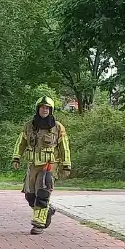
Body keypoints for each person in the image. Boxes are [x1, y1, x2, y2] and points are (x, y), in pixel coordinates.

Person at [12, 94, 72, 235]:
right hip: (32, 165)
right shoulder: (29, 126)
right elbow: (21, 143)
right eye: (42, 107)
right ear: (37, 109)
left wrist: (66, 164)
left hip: (49, 164)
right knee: (30, 196)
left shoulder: (57, 127)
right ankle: (47, 211)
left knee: (43, 193)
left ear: (51, 110)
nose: (44, 110)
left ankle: (38, 224)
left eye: (47, 108)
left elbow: (64, 146)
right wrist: (16, 158)